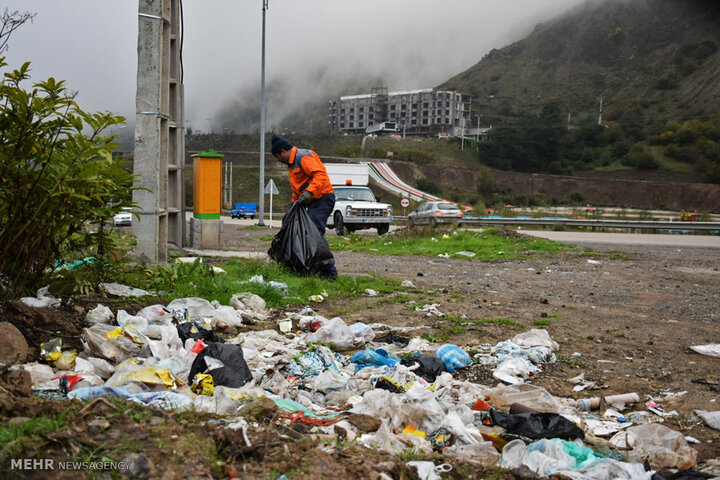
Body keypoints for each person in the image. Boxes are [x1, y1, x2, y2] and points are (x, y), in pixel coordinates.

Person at [271, 135, 338, 280]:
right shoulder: (292, 163)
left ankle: (329, 272)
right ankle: (312, 268)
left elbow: (320, 175)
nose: (278, 160)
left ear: (283, 151)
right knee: (308, 232)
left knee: (313, 232)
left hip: (322, 198)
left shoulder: (302, 157)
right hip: (311, 200)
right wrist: (293, 205)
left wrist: (309, 192)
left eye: (277, 156)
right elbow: (298, 188)